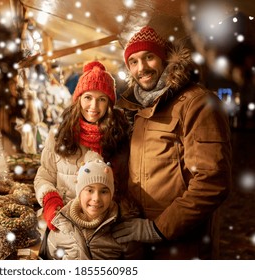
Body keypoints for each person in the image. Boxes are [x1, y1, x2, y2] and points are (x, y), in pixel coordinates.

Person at [113, 26, 232, 259]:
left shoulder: (198, 103)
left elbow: (212, 180)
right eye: (134, 62)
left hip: (184, 245)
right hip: (143, 243)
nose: (142, 68)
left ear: (165, 58)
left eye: (149, 57)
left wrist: (158, 228)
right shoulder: (138, 107)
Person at [34, 61, 136, 232]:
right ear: (79, 98)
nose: (93, 107)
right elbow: (44, 176)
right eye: (88, 97)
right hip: (64, 222)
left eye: (101, 99)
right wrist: (50, 200)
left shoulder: (120, 136)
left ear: (109, 103)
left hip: (104, 228)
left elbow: (125, 186)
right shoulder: (59, 134)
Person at [45, 153, 142, 259]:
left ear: (111, 195)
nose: (96, 198)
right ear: (79, 193)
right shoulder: (61, 225)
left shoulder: (124, 232)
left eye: (104, 191)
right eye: (90, 190)